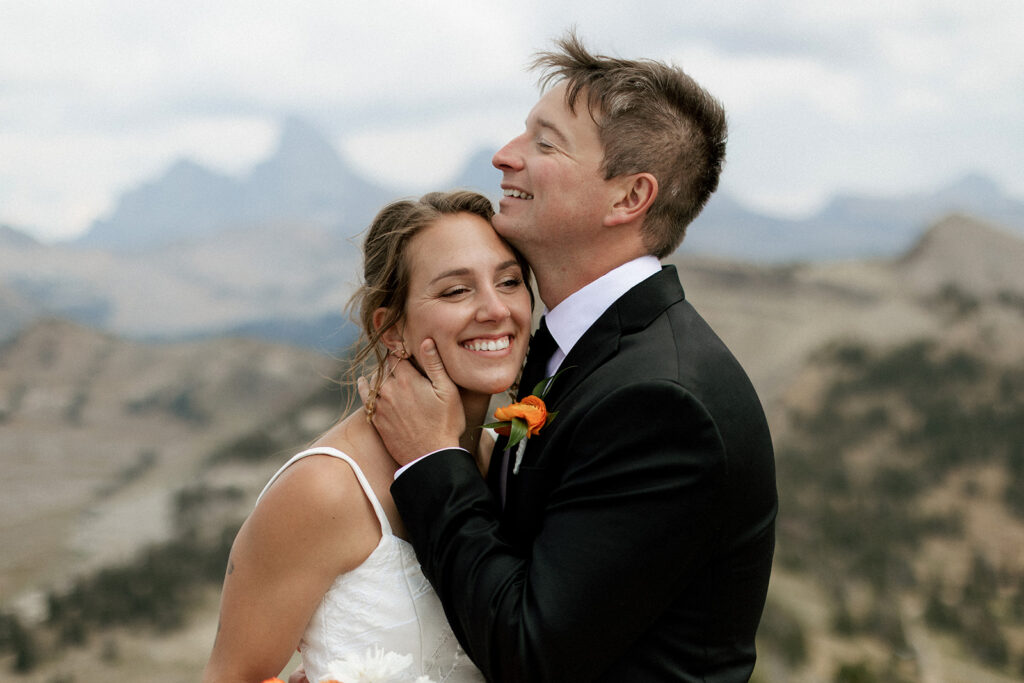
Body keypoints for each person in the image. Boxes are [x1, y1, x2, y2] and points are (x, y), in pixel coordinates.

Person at [360, 32, 777, 682]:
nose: (504, 156)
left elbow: (530, 651)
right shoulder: (577, 353)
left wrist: (431, 459)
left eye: (545, 143)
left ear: (628, 198)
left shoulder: (661, 403)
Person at [202, 190, 532, 683]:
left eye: (509, 281)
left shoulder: (501, 456)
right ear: (391, 328)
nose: (495, 308)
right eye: (455, 291)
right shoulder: (324, 488)